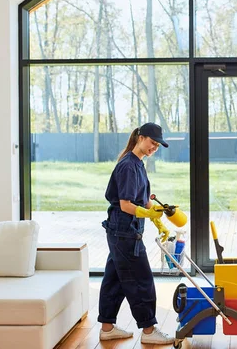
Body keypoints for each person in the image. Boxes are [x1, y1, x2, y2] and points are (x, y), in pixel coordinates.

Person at [98, 122, 176, 343]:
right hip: (124, 233)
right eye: (152, 143)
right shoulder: (128, 166)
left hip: (121, 231)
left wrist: (159, 218)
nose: (154, 148)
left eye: (158, 145)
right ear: (140, 138)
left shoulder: (139, 164)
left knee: (114, 279)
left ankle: (106, 327)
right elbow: (125, 205)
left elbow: (142, 201)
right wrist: (148, 215)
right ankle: (149, 331)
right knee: (141, 280)